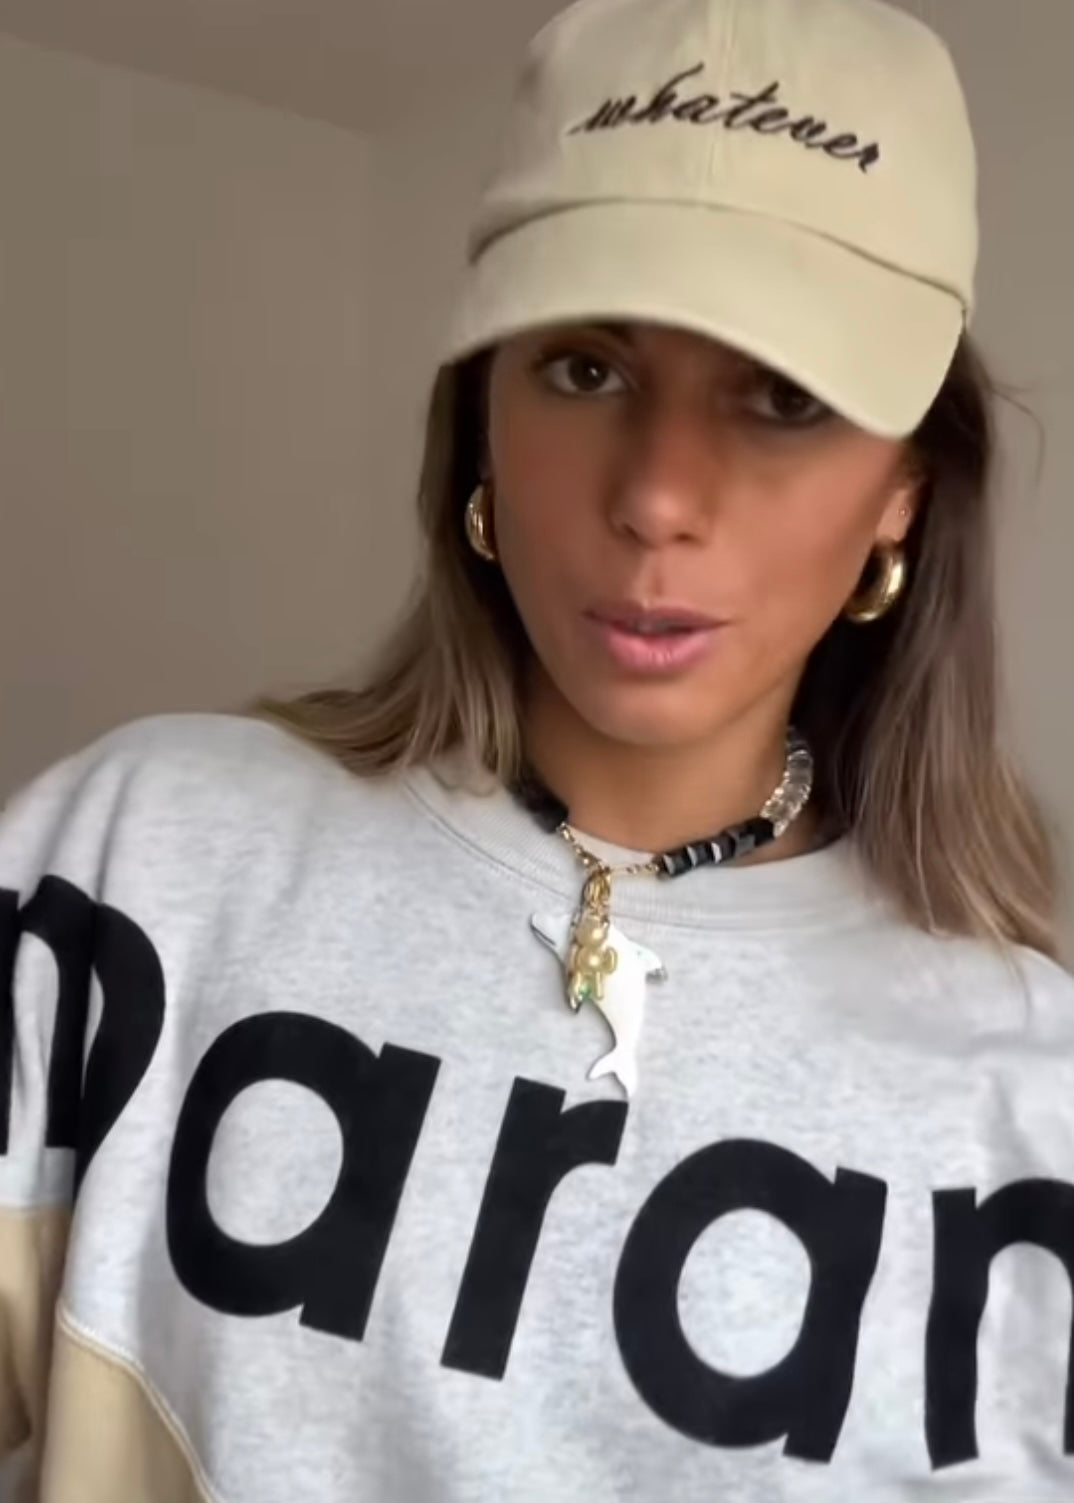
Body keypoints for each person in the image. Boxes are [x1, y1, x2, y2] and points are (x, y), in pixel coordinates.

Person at [2, 0, 1073, 1497]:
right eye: (585, 368)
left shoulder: (1031, 1103)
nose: (658, 497)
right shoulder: (145, 860)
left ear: (904, 489)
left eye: (784, 397)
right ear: (481, 423)